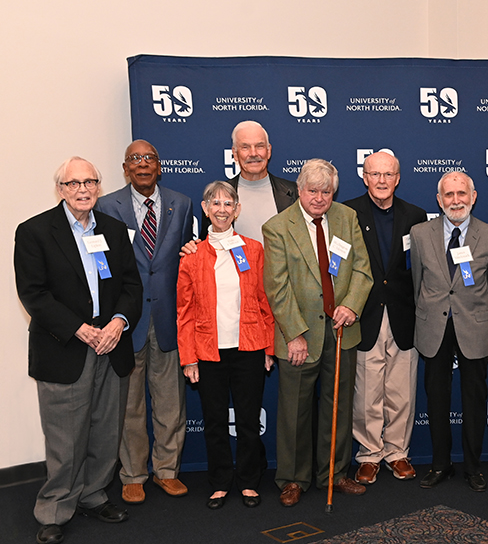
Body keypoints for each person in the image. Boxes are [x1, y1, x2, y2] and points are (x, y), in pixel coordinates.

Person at [15, 157, 142, 544]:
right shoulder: (35, 231)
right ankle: (54, 509)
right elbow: (33, 293)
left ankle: (92, 494)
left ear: (99, 186)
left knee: (106, 430)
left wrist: (118, 322)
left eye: (90, 181)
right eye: (74, 183)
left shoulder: (115, 230)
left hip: (111, 345)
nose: (83, 189)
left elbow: (130, 286)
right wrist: (80, 329)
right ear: (61, 189)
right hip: (65, 348)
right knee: (66, 438)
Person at [263, 159, 373, 506]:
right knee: (295, 411)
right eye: (313, 191)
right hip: (299, 335)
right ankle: (293, 478)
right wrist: (294, 333)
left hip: (341, 331)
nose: (319, 198)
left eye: (326, 192)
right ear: (299, 190)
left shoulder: (346, 218)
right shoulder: (278, 227)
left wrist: (352, 305)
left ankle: (334, 473)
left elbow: (361, 269)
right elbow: (277, 288)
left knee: (337, 406)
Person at [95, 140, 194, 504]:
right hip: (127, 320)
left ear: (159, 165)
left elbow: (184, 260)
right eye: (135, 159)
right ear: (125, 168)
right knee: (130, 404)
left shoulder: (181, 203)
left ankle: (167, 471)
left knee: (171, 402)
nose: (142, 165)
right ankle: (133, 474)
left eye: (149, 158)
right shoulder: (106, 206)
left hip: (168, 317)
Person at [177, 181, 275, 509]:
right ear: (205, 209)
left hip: (248, 347)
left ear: (237, 209)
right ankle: (220, 482)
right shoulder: (191, 257)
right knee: (215, 420)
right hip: (208, 351)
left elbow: (264, 302)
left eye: (228, 203)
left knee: (248, 420)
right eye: (215, 203)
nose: (221, 209)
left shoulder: (253, 250)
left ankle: (248, 482)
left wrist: (269, 348)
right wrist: (189, 358)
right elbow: (185, 312)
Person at [411, 171, 488, 492]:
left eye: (461, 193)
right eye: (448, 195)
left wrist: (477, 315)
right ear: (439, 200)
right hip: (433, 327)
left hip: (474, 327)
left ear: (473, 196)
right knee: (436, 399)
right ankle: (440, 464)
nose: (456, 200)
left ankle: (473, 467)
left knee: (474, 400)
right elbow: (416, 284)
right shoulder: (420, 234)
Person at [343, 151, 427, 484]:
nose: (381, 181)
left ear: (398, 178)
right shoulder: (347, 212)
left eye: (388, 174)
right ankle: (368, 454)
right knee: (366, 391)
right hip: (364, 313)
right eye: (375, 174)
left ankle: (397, 452)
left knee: (401, 388)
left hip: (404, 313)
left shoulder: (416, 216)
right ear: (364, 177)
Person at [198, 120, 298, 243]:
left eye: (259, 146)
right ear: (235, 153)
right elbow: (207, 243)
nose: (253, 153)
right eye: (245, 147)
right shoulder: (216, 198)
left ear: (269, 150)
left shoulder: (295, 193)